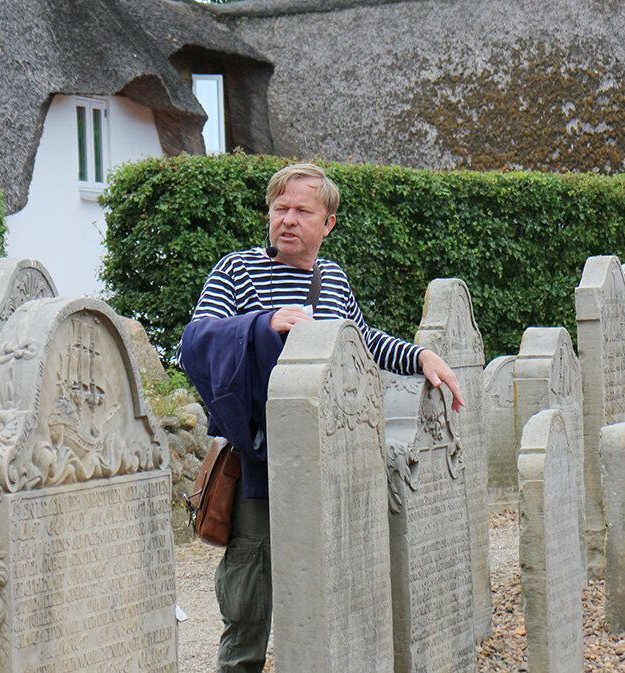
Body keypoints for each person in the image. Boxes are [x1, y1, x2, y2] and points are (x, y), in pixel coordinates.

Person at [178, 163, 463, 673]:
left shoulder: (332, 279)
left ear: (327, 223)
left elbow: (361, 341)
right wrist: (262, 325)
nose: (287, 219)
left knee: (329, 585)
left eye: (302, 211)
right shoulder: (236, 271)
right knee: (247, 602)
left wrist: (420, 357)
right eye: (279, 208)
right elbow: (195, 344)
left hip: (330, 461)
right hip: (260, 466)